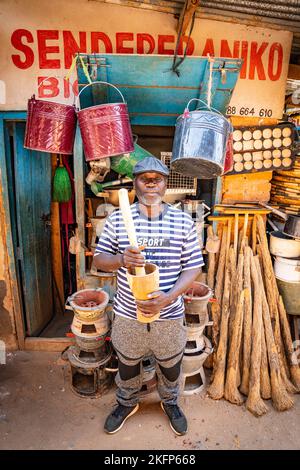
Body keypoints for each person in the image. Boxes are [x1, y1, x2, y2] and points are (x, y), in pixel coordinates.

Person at [94, 156, 204, 436]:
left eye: (158, 178)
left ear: (166, 184)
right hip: (129, 314)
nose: (152, 184)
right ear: (135, 184)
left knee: (170, 365)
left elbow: (193, 267)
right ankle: (126, 402)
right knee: (128, 364)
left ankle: (170, 402)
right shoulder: (118, 219)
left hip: (168, 314)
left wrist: (168, 298)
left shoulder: (182, 221)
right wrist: (120, 259)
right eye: (145, 178)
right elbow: (99, 260)